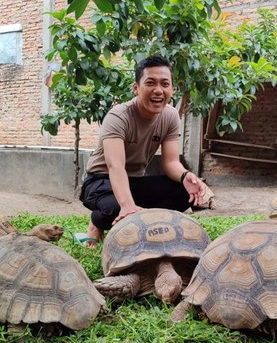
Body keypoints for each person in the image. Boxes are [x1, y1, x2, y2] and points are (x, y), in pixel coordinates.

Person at [78, 55, 208, 247]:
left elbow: (171, 162)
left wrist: (186, 177)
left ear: (172, 89)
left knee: (183, 193)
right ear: (136, 88)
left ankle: (136, 211)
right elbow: (116, 166)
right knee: (115, 210)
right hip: (101, 180)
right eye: (150, 83)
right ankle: (97, 222)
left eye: (165, 84)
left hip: (135, 181)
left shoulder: (171, 116)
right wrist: (127, 206)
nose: (158, 90)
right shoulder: (118, 116)